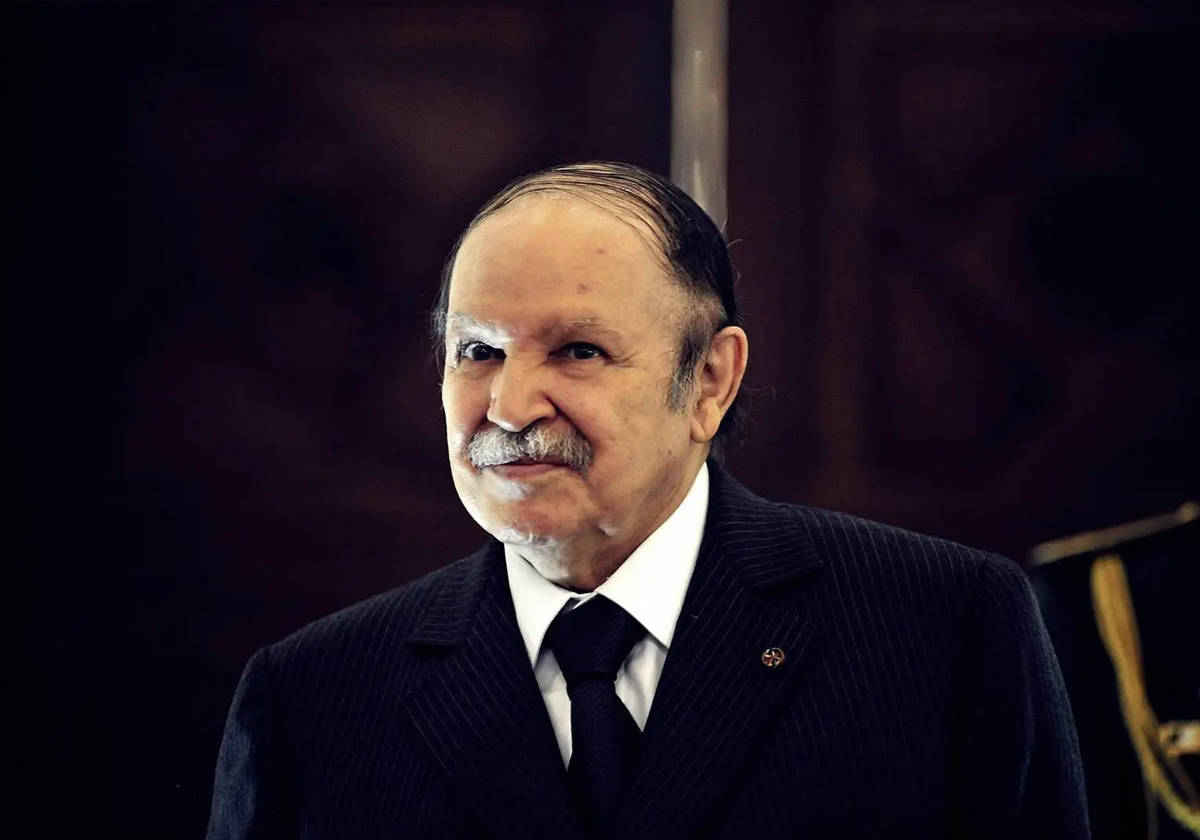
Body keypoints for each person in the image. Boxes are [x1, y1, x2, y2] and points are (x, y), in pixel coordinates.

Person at [207, 161, 1090, 839]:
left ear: (709, 380)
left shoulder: (944, 629)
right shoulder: (312, 696)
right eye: (478, 351)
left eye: (578, 351)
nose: (509, 407)